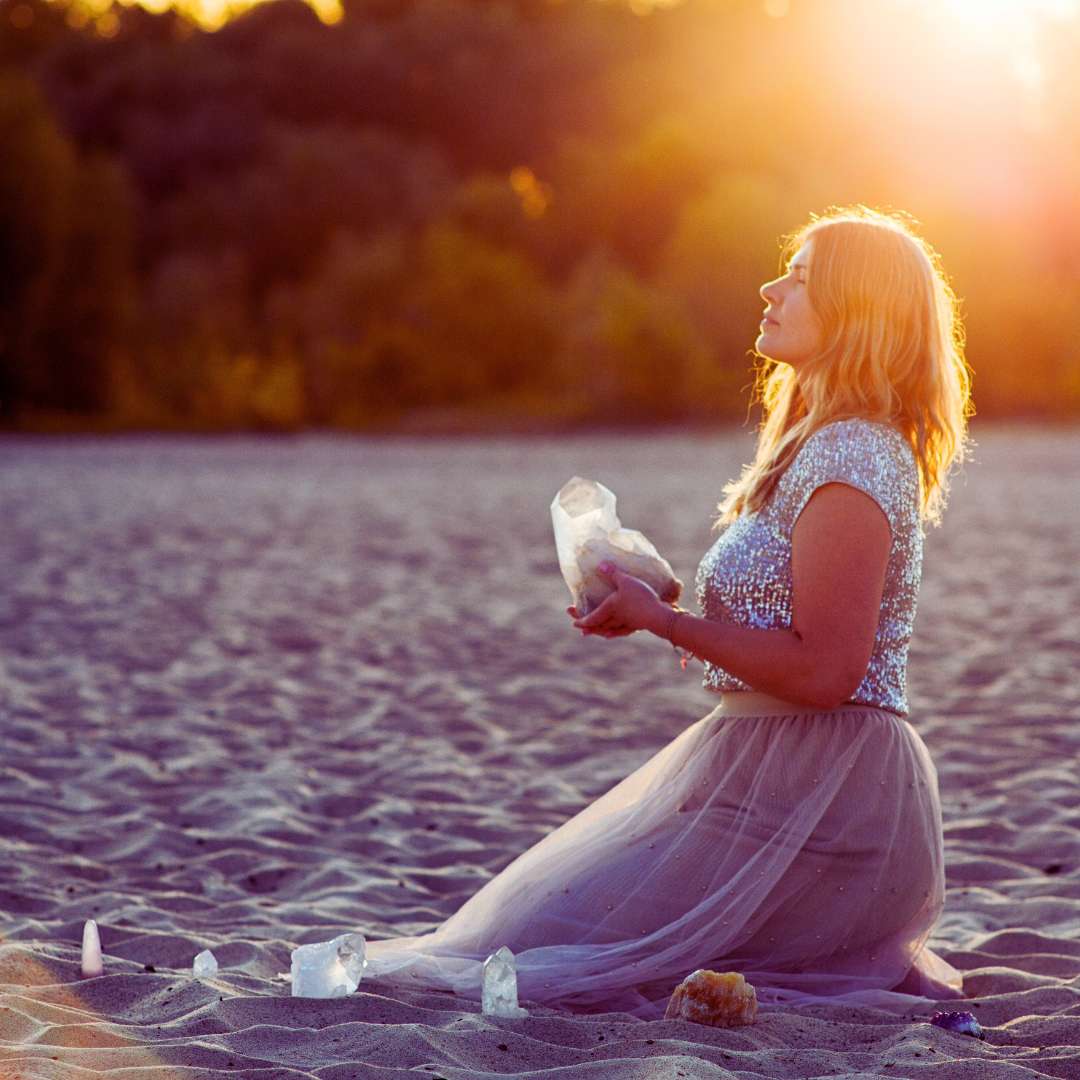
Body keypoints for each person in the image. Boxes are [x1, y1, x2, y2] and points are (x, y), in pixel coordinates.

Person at [361, 204, 973, 1020]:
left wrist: (666, 622)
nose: (769, 288)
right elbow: (783, 612)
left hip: (830, 802)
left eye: (798, 278)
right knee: (526, 933)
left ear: (857, 310)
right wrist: (658, 593)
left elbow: (828, 671)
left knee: (548, 952)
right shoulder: (817, 443)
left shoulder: (856, 453)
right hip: (760, 777)